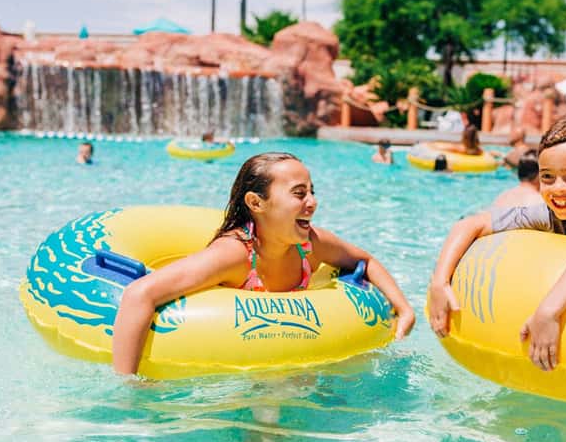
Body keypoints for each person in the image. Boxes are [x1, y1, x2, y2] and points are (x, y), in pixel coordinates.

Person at [112, 152, 416, 374]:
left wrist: (403, 309)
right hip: (231, 364)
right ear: (256, 203)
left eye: (312, 192)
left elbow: (364, 260)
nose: (312, 202)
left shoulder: (310, 245)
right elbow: (140, 293)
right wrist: (130, 387)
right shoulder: (234, 255)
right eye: (299, 193)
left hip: (291, 360)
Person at [428, 112, 566, 372]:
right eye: (547, 177)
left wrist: (548, 312)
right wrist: (440, 282)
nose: (558, 188)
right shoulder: (549, 214)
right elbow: (470, 224)